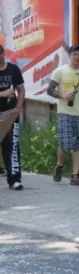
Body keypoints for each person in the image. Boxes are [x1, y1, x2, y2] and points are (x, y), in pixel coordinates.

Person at [47, 44, 79, 186]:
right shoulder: (60, 71)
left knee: (78, 145)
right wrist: (63, 95)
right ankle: (59, 166)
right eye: (75, 54)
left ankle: (75, 175)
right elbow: (49, 90)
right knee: (65, 143)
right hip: (64, 112)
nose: (77, 57)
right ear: (70, 55)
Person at [0, 44, 25, 190]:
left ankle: (14, 179)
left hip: (10, 114)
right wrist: (2, 94)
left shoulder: (13, 69)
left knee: (12, 146)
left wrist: (18, 108)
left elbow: (21, 89)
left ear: (3, 54)